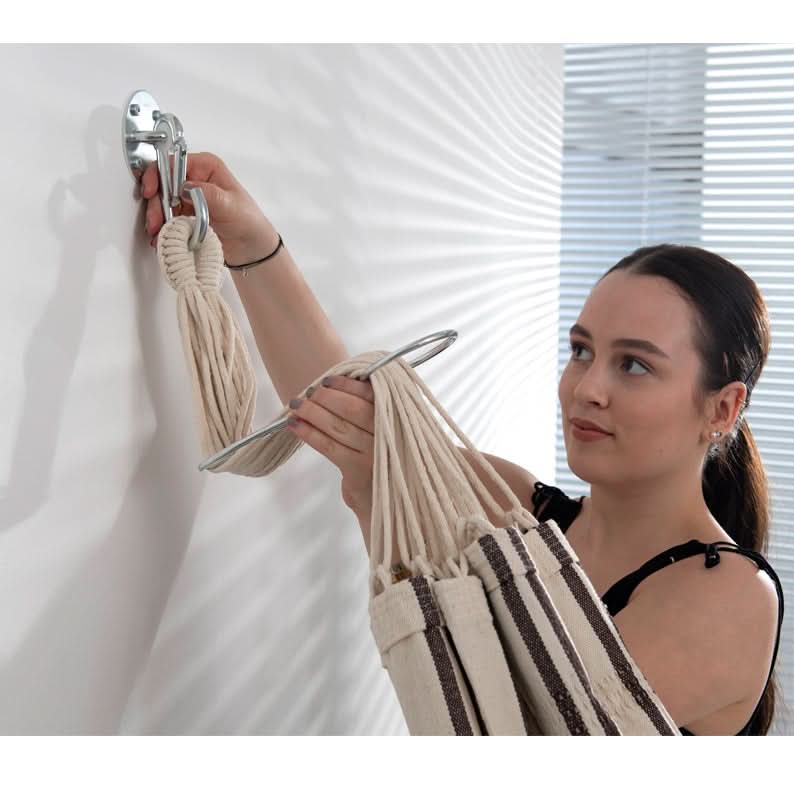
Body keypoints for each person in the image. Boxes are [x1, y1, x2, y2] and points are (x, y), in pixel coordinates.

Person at [141, 153, 783, 735]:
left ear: (722, 408)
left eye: (634, 365)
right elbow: (353, 416)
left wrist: (378, 489)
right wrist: (251, 241)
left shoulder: (730, 595)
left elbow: (533, 734)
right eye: (581, 351)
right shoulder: (512, 509)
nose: (588, 389)